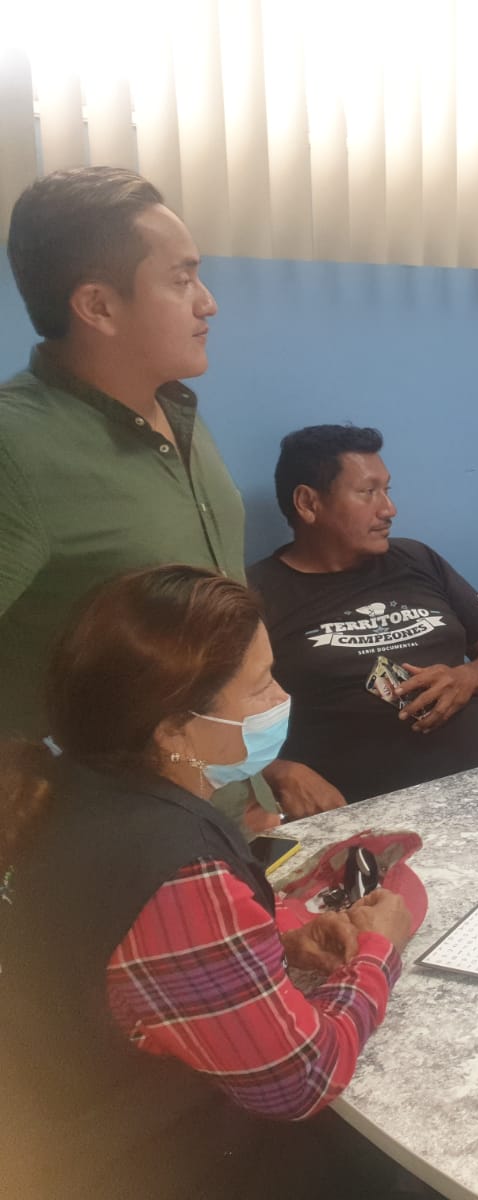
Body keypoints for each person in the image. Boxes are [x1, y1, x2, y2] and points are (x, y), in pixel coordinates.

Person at [0, 565, 414, 1199]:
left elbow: (123, 962)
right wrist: (379, 952)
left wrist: (269, 947)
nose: (281, 697)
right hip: (163, 1166)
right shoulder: (178, 869)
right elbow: (301, 1081)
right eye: (261, 685)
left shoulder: (63, 785)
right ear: (172, 728)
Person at [0, 166, 341, 823]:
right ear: (98, 306)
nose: (207, 303)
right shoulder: (15, 447)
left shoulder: (178, 416)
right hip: (109, 840)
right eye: (181, 280)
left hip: (228, 816)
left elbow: (207, 647)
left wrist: (253, 775)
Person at [248, 425, 478, 804]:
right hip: (357, 812)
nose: (388, 509)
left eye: (387, 490)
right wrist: (278, 772)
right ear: (308, 503)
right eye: (367, 492)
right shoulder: (257, 594)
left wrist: (468, 677)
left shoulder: (417, 560)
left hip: (477, 788)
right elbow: (208, 726)